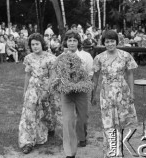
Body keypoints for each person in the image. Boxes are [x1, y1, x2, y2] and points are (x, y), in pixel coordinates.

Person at [92, 30, 138, 158]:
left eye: (112, 41)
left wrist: (132, 93)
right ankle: (111, 150)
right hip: (106, 93)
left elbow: (129, 74)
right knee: (108, 121)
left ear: (116, 42)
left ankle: (118, 147)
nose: (110, 44)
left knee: (121, 121)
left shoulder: (125, 56)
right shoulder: (99, 58)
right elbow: (95, 77)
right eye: (107, 41)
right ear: (104, 43)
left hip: (122, 92)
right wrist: (93, 94)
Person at [54, 30, 93, 158]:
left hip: (82, 91)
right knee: (67, 120)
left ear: (78, 42)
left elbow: (90, 74)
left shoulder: (86, 56)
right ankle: (70, 152)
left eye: (74, 40)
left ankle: (82, 136)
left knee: (82, 118)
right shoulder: (60, 57)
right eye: (69, 40)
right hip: (66, 93)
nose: (71, 43)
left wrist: (80, 84)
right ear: (66, 42)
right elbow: (57, 74)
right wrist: (62, 84)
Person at [18, 33, 58, 154]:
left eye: (37, 44)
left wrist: (47, 90)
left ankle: (48, 129)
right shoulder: (28, 58)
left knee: (46, 112)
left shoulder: (51, 58)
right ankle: (27, 141)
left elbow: (53, 76)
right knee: (28, 114)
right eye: (32, 44)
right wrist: (25, 91)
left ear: (42, 44)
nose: (35, 46)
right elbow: (27, 74)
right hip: (32, 87)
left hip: (47, 86)